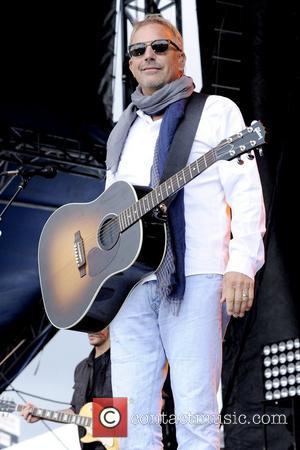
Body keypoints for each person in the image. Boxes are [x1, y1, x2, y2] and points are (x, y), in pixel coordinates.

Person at [105, 14, 266, 450]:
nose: (148, 56)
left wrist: (242, 263)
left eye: (160, 47)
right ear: (131, 65)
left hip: (194, 272)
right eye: (138, 51)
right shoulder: (123, 133)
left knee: (196, 410)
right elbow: (109, 212)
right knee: (134, 417)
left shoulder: (214, 112)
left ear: (181, 57)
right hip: (130, 285)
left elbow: (247, 191)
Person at [21, 328, 111, 450]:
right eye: (88, 325)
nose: (91, 330)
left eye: (97, 325)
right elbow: (75, 411)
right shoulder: (81, 368)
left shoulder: (123, 362)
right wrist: (41, 414)